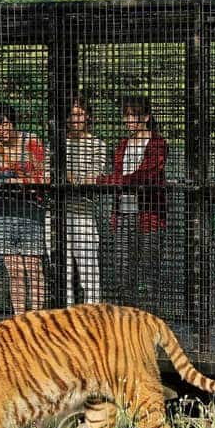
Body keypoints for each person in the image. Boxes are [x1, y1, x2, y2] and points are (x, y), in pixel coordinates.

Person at [100, 95, 167, 306]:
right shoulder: (122, 145)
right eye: (126, 116)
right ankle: (126, 317)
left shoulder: (157, 143)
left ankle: (149, 318)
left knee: (148, 268)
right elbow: (121, 176)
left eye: (134, 116)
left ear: (146, 117)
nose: (129, 121)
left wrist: (108, 181)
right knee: (122, 268)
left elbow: (146, 175)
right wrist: (115, 181)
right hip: (124, 213)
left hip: (150, 215)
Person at [0, 104, 47, 316]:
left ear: (11, 122)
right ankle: (20, 318)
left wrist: (15, 179)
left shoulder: (31, 141)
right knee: (14, 271)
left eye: (2, 123)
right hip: (3, 214)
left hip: (31, 212)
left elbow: (44, 176)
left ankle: (37, 318)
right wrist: (14, 180)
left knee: (33, 268)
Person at [64, 95, 109, 305]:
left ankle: (93, 315)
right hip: (58, 214)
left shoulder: (97, 144)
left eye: (80, 114)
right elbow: (49, 172)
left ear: (87, 116)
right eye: (72, 115)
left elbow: (95, 177)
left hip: (83, 213)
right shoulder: (58, 144)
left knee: (88, 269)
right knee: (62, 269)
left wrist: (70, 178)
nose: (75, 119)